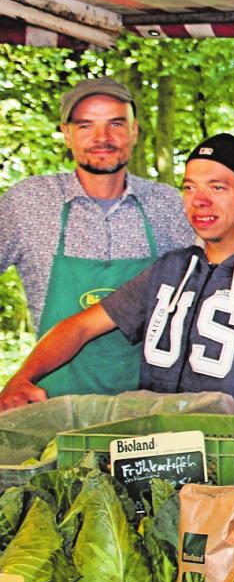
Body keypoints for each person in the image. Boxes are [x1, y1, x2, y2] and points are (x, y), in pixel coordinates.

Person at [0, 134, 234, 416]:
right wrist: (22, 378)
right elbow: (79, 327)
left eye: (218, 188)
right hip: (157, 449)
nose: (200, 201)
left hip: (230, 462)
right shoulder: (170, 269)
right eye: (190, 188)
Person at [0, 77, 194, 397]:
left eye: (115, 124)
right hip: (52, 405)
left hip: (149, 408)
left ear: (134, 131)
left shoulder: (170, 206)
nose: (102, 138)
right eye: (86, 125)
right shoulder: (29, 203)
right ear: (66, 134)